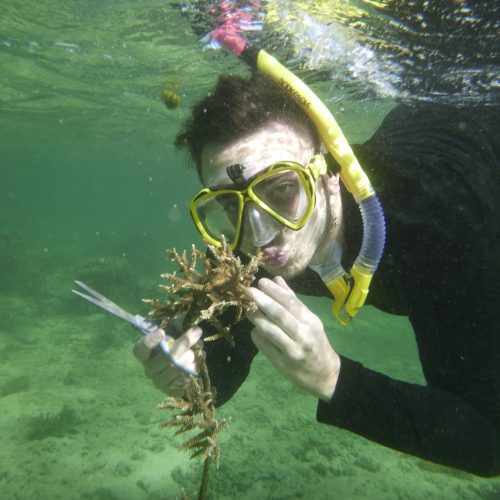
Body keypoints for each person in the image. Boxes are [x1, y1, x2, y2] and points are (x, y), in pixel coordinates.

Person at [133, 72, 500, 477]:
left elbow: (489, 442)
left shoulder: (445, 235)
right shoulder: (241, 244)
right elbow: (223, 363)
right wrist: (191, 377)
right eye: (231, 205)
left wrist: (333, 377)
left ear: (330, 175)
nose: (260, 234)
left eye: (281, 190)